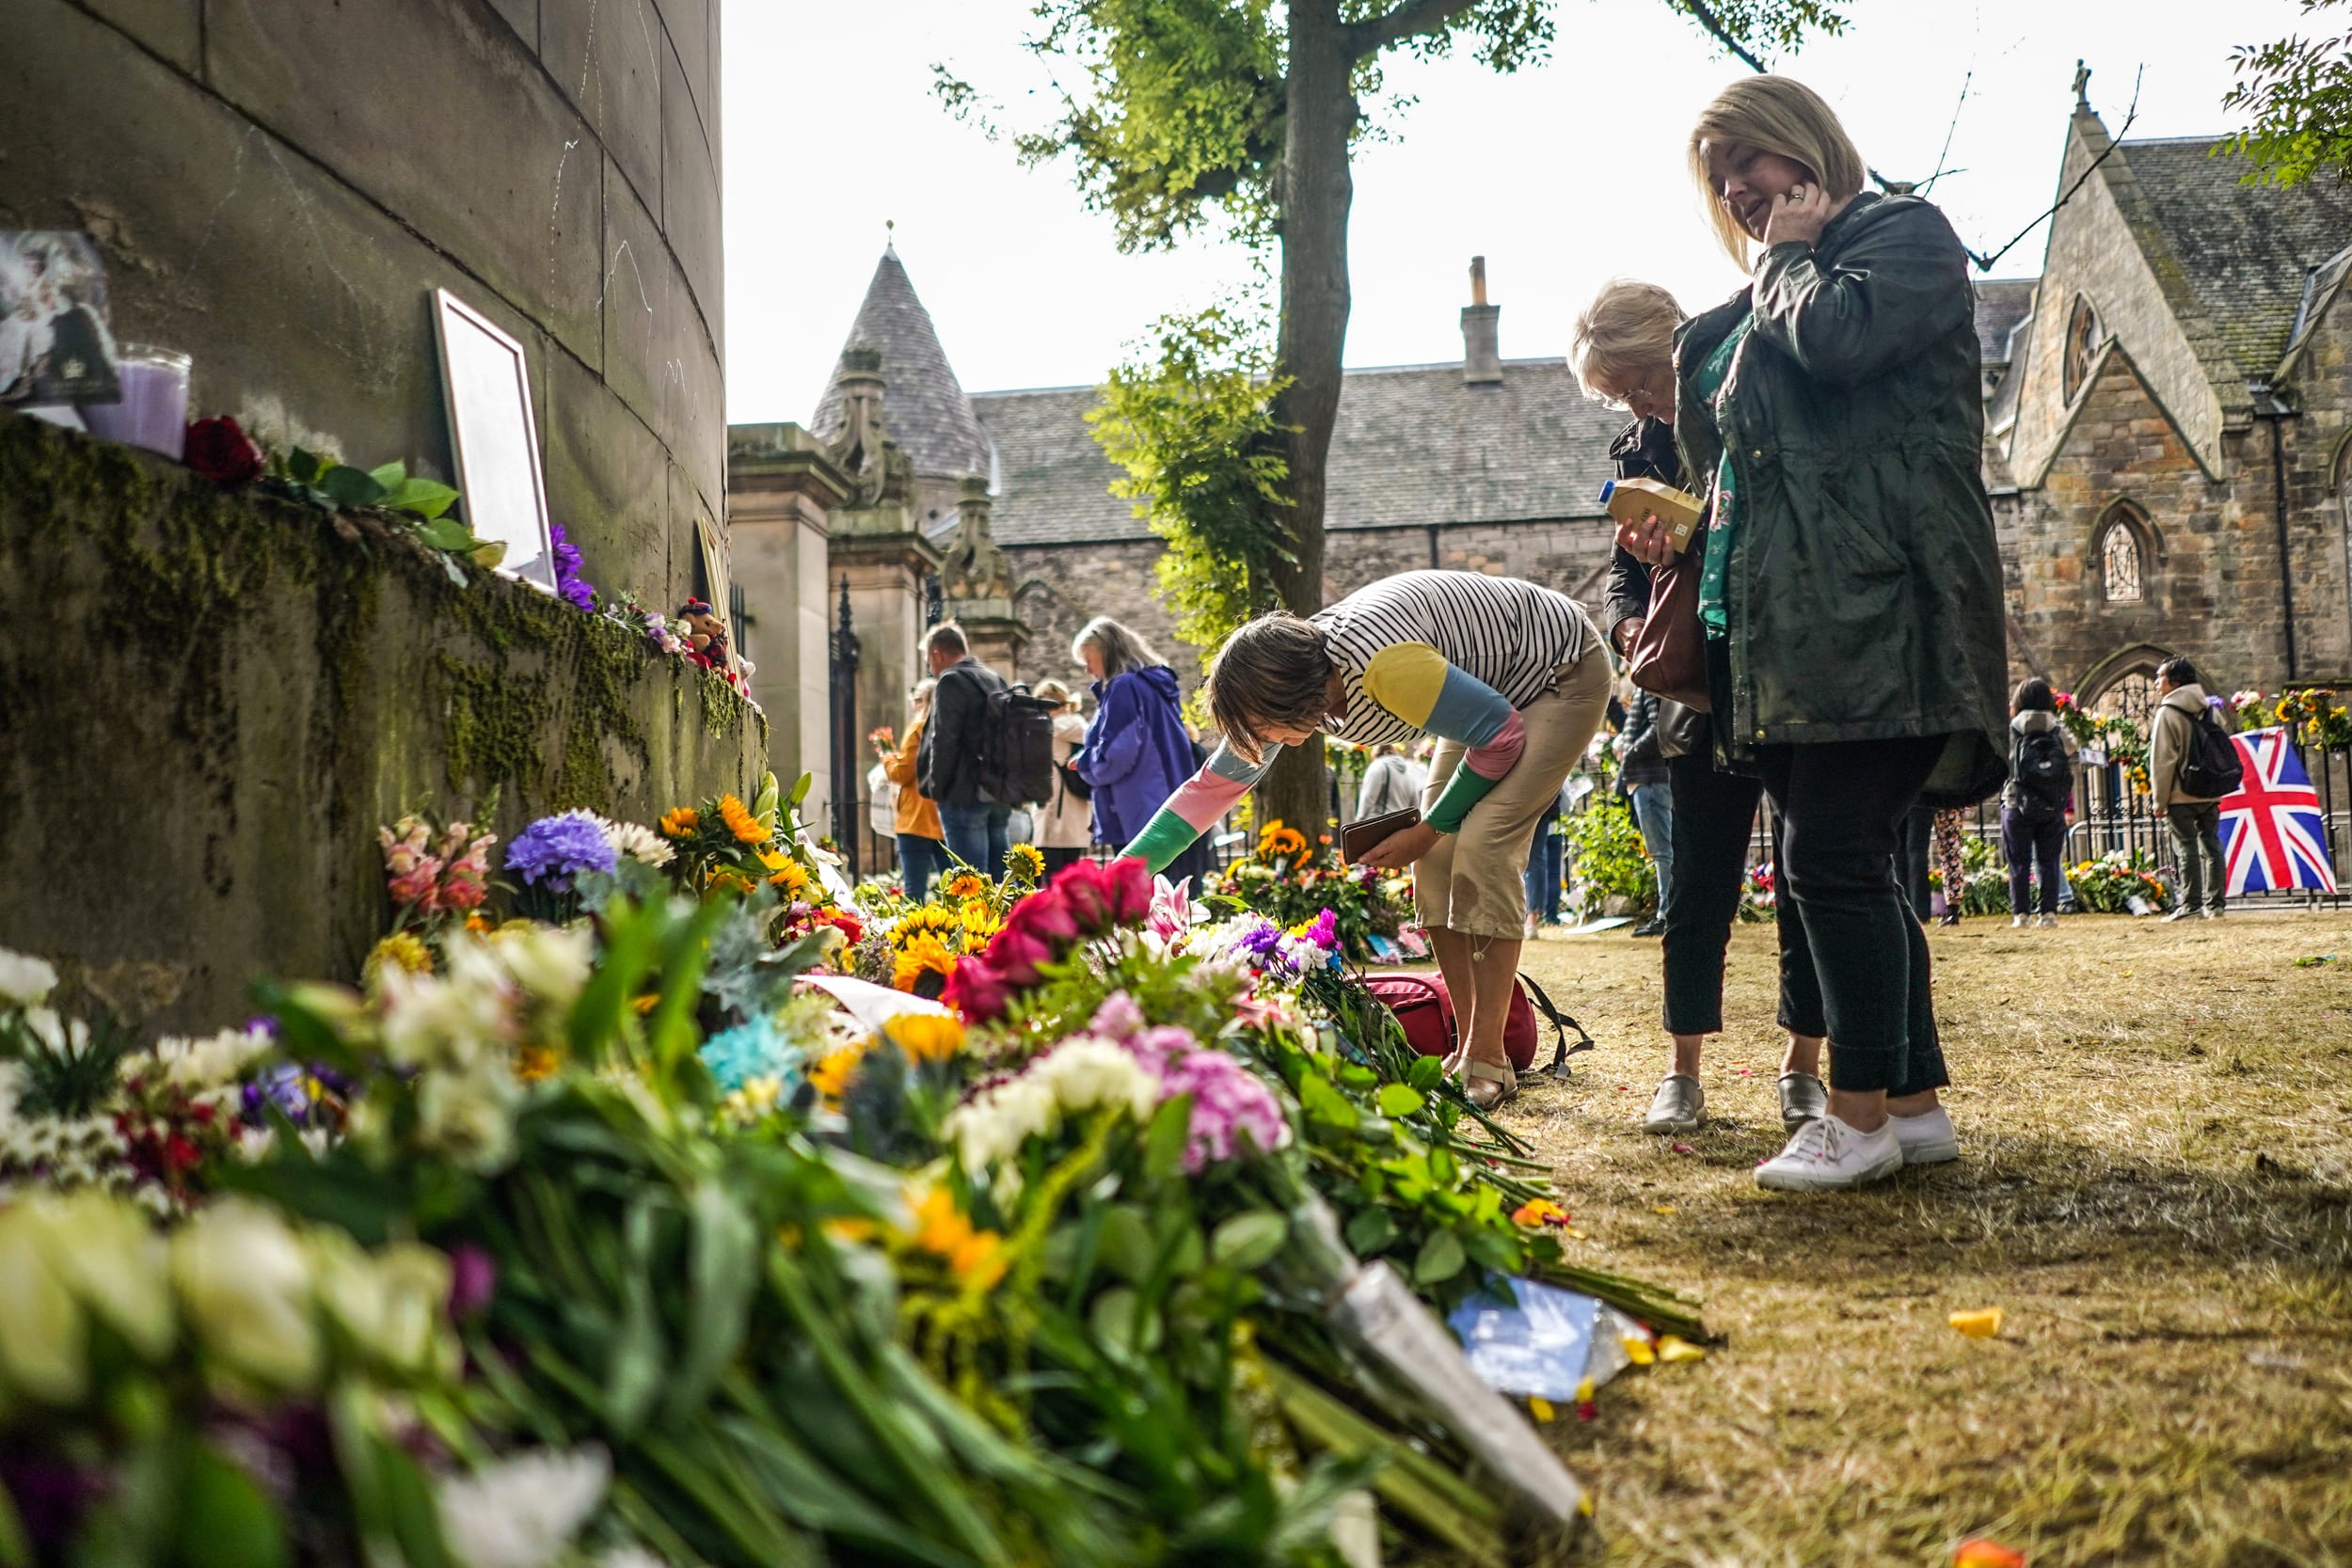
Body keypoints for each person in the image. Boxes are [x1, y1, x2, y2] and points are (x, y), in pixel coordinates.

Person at [1621, 77, 2008, 1188]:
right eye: (1720, 176)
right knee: (1844, 860)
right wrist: (1684, 542)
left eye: (1751, 160)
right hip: (1793, 626)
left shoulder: (1904, 240)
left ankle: (1857, 1115)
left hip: (1882, 609)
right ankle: (1914, 1104)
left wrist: (1780, 264)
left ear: (1808, 147)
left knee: (1829, 856)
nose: (1738, 188)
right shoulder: (1763, 296)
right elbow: (1746, 462)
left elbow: (1838, 342)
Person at [1119, 570, 1611, 1109]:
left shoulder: (1383, 669)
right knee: (1438, 858)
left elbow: (1501, 737)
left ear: (1289, 697)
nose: (1259, 742)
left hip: (1557, 673)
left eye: (1260, 727)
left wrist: (1426, 829)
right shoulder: (1302, 678)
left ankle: (1489, 1055)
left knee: (1483, 844)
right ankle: (1469, 1045)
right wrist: (1116, 876)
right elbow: (1209, 789)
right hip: (1495, 697)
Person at [1578, 277, 1827, 1137]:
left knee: (1808, 880)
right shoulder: (1637, 448)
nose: (1640, 407)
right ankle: (1681, 1071)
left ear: (1672, 347)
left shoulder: (1749, 395)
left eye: (1642, 384)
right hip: (1693, 689)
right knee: (1696, 887)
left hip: (1785, 664)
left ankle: (1804, 1066)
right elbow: (1620, 570)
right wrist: (1628, 617)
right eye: (1622, 396)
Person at [1073, 617, 1210, 892]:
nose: (1087, 669)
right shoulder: (1154, 686)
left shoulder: (1123, 688)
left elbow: (1117, 755)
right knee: (1175, 896)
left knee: (1144, 901)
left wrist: (1085, 762)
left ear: (1108, 652)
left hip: (1136, 808)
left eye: (1089, 659)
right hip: (1169, 802)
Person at [916, 623, 1014, 875]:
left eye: (928, 660)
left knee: (970, 882)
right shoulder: (994, 679)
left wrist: (938, 788)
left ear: (937, 654)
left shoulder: (951, 680)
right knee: (1000, 881)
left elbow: (944, 739)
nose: (930, 668)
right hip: (997, 792)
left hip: (963, 794)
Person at [2151, 656, 2229, 921]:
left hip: (2180, 793)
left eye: (2160, 677)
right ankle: (2216, 905)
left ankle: (2191, 905)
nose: (2156, 683)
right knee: (2212, 844)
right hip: (2210, 789)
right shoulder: (2210, 709)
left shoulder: (2168, 712)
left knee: (2186, 846)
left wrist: (2159, 800)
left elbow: (2163, 760)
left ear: (2174, 681)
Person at [2001, 678, 2079, 927]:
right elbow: (2072, 747)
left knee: (2019, 862)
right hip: (2051, 803)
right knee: (2049, 861)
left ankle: (2021, 914)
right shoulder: (2057, 728)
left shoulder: (2011, 729)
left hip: (2016, 801)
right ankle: (2048, 914)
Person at [1616, 685, 1674, 938]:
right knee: (1662, 850)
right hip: (1647, 778)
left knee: (1662, 851)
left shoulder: (1650, 686)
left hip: (1649, 778)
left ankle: (1666, 913)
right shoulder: (1646, 685)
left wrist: (1629, 753)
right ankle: (1667, 911)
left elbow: (1657, 727)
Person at [883, 680, 948, 902]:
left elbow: (903, 773)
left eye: (916, 700)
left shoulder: (917, 729)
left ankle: (915, 936)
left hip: (916, 818)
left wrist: (888, 759)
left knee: (914, 893)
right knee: (955, 889)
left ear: (922, 701)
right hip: (944, 818)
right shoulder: (947, 728)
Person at [1031, 679, 1094, 879]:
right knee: (1069, 878)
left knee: (1051, 878)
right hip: (1075, 816)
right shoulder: (1080, 725)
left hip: (1054, 816)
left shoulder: (1054, 728)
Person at [1521, 779, 1571, 933]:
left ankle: (1532, 918)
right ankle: (1539, 917)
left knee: (1534, 861)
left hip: (1533, 805)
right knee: (1543, 865)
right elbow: (1567, 803)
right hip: (1549, 814)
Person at [1357, 743, 1427, 820]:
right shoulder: (1408, 773)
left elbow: (1368, 798)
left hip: (1381, 824)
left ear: (1376, 755)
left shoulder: (1378, 766)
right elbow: (1415, 806)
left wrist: (1359, 820)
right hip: (1402, 825)